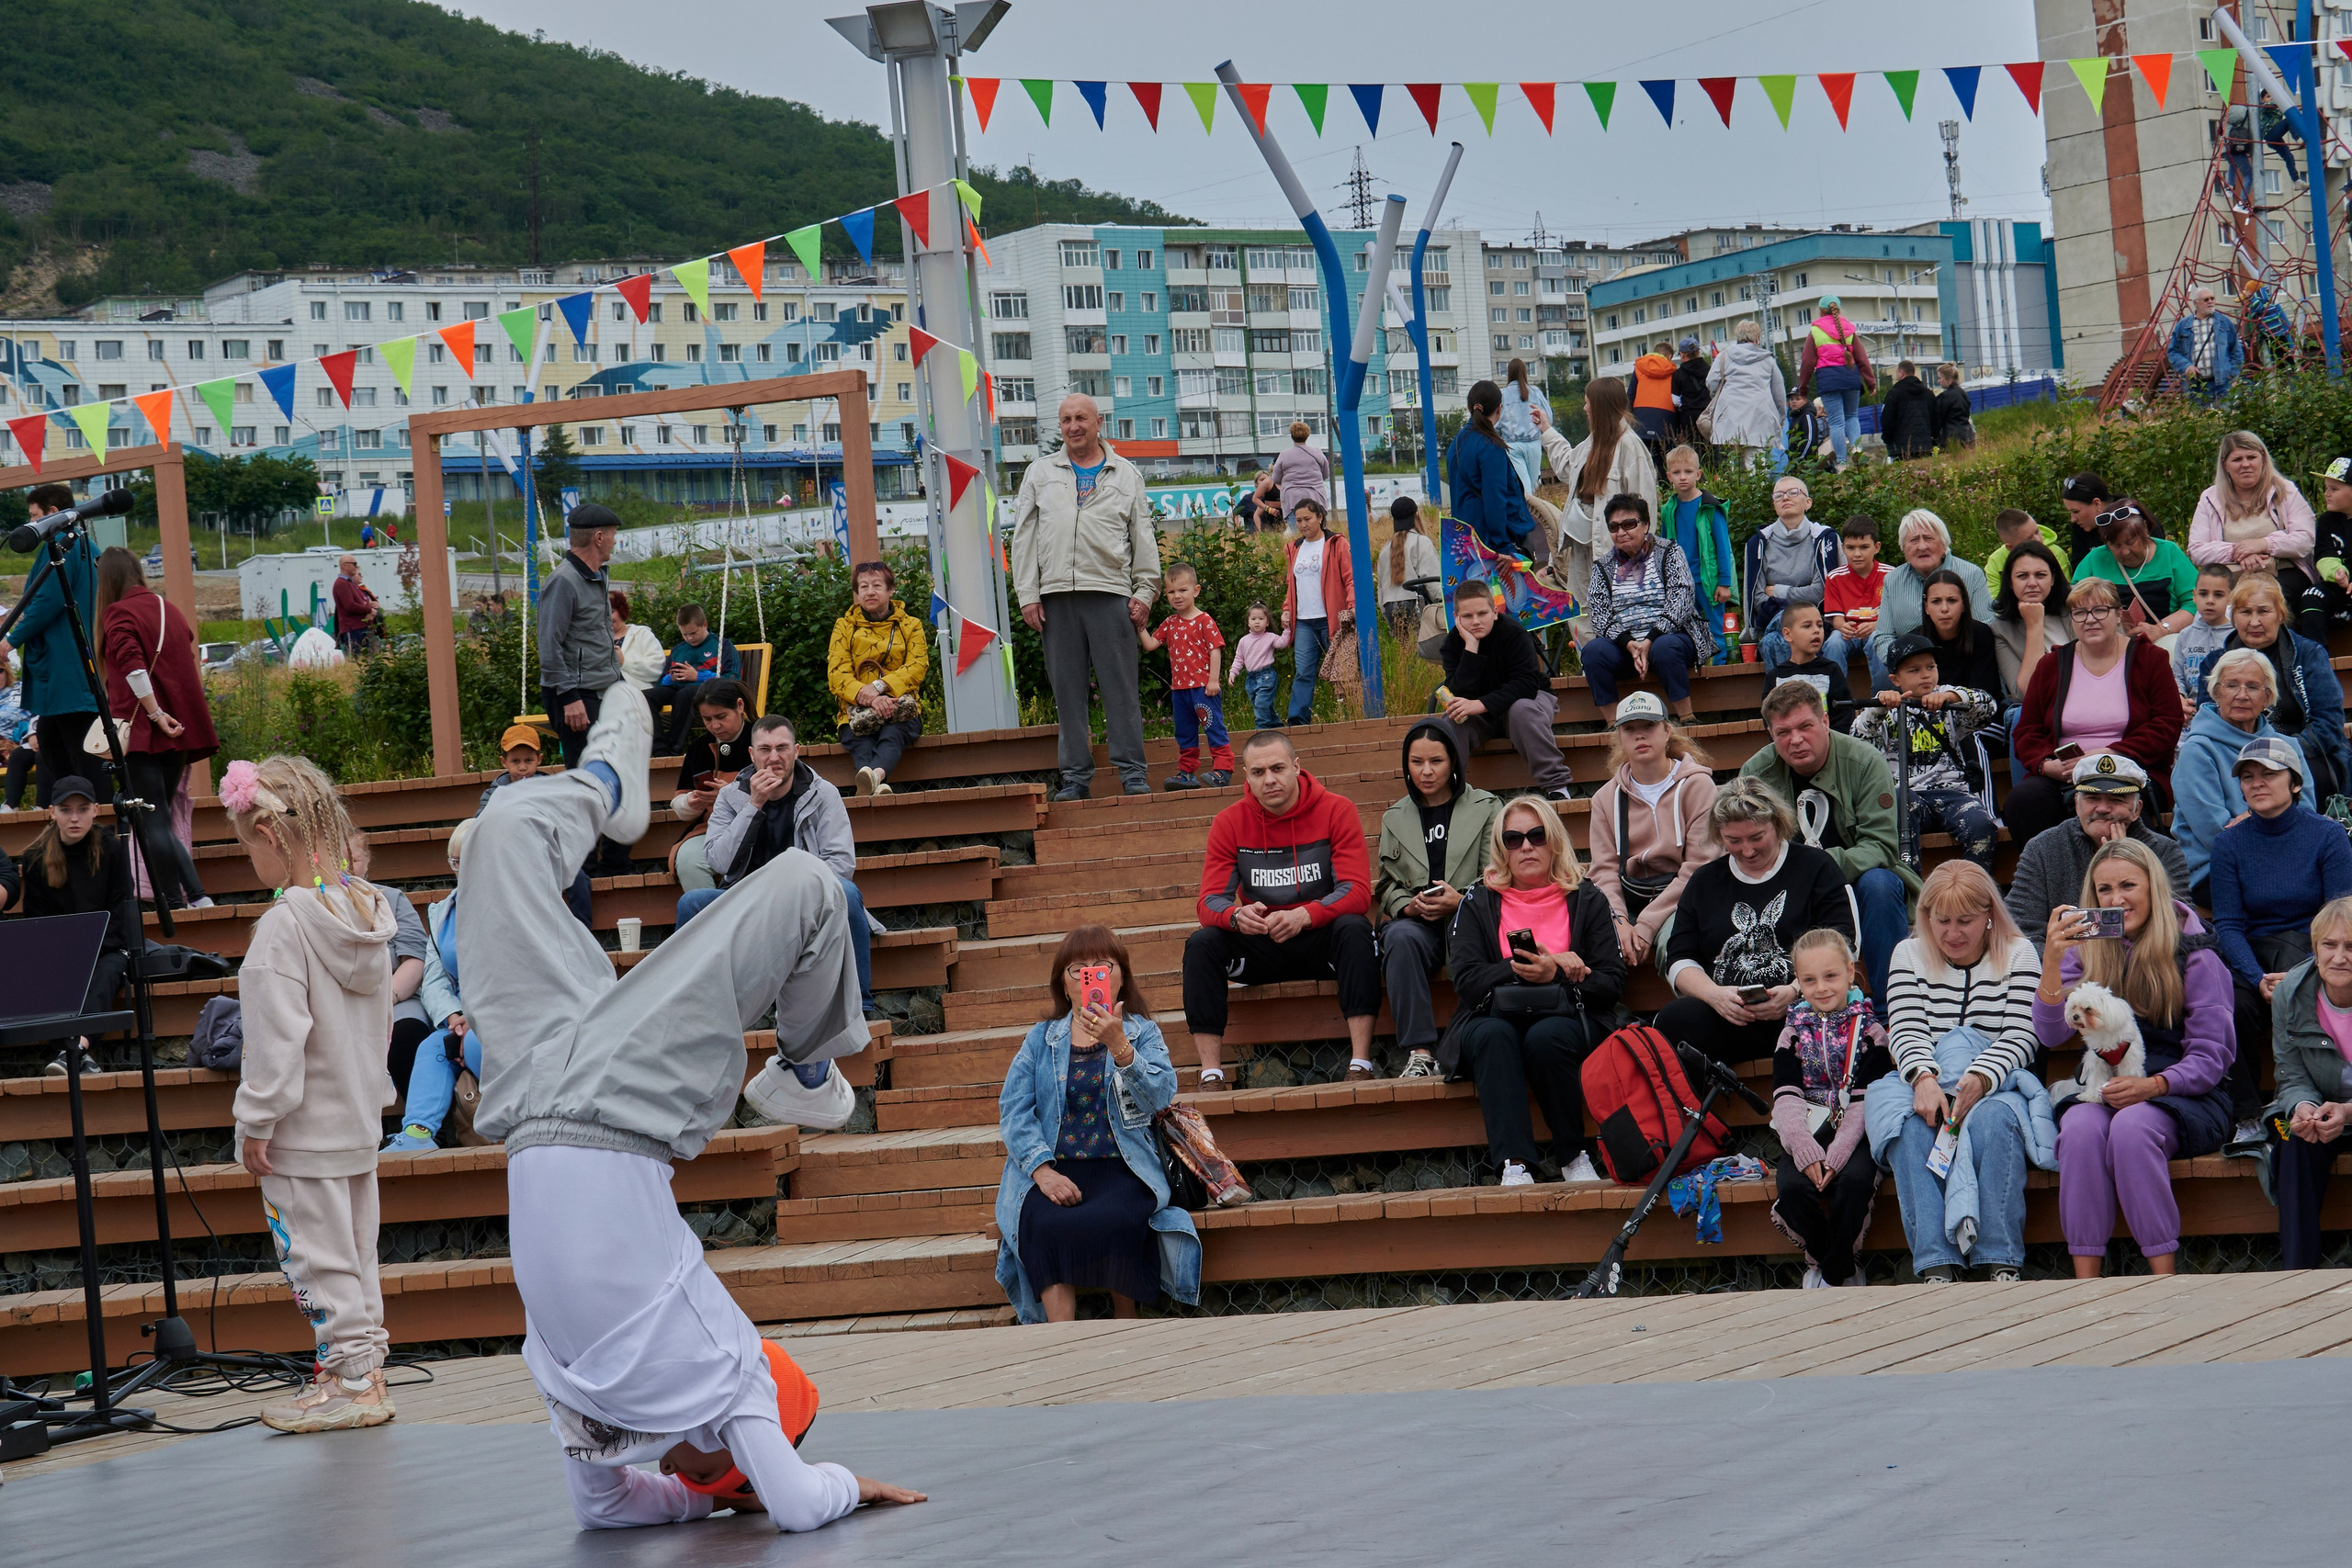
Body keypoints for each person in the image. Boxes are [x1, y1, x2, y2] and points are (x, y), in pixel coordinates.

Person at [454, 695, 920, 1530]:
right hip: (622, 1098)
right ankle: (801, 1067)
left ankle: (806, 1068)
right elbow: (797, 1503)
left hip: (528, 1096)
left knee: (493, 839)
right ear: (743, 1447)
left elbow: (607, 1510)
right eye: (727, 1473)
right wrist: (854, 1483)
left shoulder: (588, 1404)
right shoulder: (726, 1364)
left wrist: (694, 1507)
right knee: (809, 884)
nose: (705, 1480)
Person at [217, 755, 401, 1432]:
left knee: (313, 1258)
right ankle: (361, 1366)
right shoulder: (366, 910)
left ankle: (352, 1378)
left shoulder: (282, 929)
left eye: (246, 846)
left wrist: (255, 1120)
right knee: (356, 1252)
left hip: (300, 1130)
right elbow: (379, 1023)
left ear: (269, 833)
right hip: (354, 1118)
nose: (249, 862)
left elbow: (274, 1041)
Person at [2038, 840, 2237, 1279]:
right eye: (2104, 889)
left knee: (2131, 1128)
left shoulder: (2195, 951)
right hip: (2106, 1081)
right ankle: (2085, 1283)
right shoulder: (2086, 948)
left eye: (2128, 885)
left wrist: (2154, 1086)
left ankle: (2161, 1277)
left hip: (2185, 1090)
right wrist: (2052, 962)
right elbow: (2051, 1033)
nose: (2116, 899)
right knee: (2079, 1131)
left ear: (2155, 888)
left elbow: (2213, 1054)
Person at [994, 924, 1201, 1324]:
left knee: (1118, 1218)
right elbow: (1014, 1109)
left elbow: (1160, 1097)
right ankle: (1062, 1338)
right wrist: (1041, 1171)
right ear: (1064, 984)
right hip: (1055, 1167)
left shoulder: (1142, 1033)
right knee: (1043, 1222)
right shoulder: (1041, 1039)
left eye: (1103, 966)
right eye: (1078, 969)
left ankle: (1125, 1324)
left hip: (1124, 1165)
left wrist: (1119, 1046)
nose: (1091, 976)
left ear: (1120, 976)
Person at [1873, 861, 2046, 1284]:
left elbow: (2023, 1033)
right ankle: (1936, 1263)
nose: (1952, 934)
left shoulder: (2020, 952)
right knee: (1909, 1129)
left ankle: (1998, 1256)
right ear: (1926, 917)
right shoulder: (1907, 954)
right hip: (1924, 1075)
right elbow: (1906, 1027)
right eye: (1942, 921)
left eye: (1965, 921)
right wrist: (1925, 1079)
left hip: (1997, 1079)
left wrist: (1981, 1077)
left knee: (1995, 1121)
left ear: (1989, 915)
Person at [1441, 794, 1625, 1186]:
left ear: (1555, 841)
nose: (1526, 846)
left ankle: (1573, 1155)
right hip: (1490, 1015)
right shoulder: (1477, 901)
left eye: (1537, 836)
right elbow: (1468, 983)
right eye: (1513, 839)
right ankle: (1514, 1163)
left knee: (1547, 1036)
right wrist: (1529, 967)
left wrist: (1554, 975)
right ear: (1501, 849)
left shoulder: (1587, 898)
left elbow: (1611, 983)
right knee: (1494, 1035)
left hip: (1570, 1016)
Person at [1183, 731, 1376, 1088]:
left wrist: (1306, 914)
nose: (1269, 779)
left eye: (1277, 768)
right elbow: (1210, 901)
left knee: (1356, 929)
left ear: (1297, 767)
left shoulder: (1337, 809)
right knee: (1202, 943)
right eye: (1258, 772)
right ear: (1246, 776)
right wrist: (1238, 918)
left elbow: (1357, 891)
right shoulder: (1229, 822)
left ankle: (1361, 1062)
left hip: (1320, 940)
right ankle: (1211, 1072)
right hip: (1261, 943)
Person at [1011, 392, 1161, 802]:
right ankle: (1076, 778)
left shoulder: (1127, 474)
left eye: (1081, 418)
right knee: (1068, 694)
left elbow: (1142, 538)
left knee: (1121, 689)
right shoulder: (1039, 473)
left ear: (1099, 423)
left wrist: (1145, 590)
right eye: (1065, 420)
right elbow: (1022, 538)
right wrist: (1027, 593)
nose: (1073, 426)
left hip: (1110, 593)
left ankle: (1132, 772)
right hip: (1055, 597)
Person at [676, 714, 873, 1019]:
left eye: (782, 748)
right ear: (752, 754)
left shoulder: (823, 794)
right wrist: (753, 805)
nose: (774, 757)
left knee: (846, 893)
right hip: (746, 900)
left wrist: (792, 891)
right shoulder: (731, 797)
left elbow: (842, 864)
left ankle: (861, 1005)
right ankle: (690, 1011)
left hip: (805, 899)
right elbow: (718, 860)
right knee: (692, 903)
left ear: (796, 751)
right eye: (765, 749)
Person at [1656, 776, 1854, 1067]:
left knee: (1826, 1013)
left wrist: (1796, 990)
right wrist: (1714, 996)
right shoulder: (1704, 881)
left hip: (1804, 1007)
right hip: (1728, 1015)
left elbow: (1843, 943)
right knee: (1674, 1022)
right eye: (1733, 841)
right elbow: (1680, 959)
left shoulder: (1816, 867)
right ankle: (1698, 1111)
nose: (1747, 850)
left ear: (1777, 824)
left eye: (1757, 837)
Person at [1740, 681, 1917, 1005]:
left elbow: (1880, 846)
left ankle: (1891, 1010)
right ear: (1771, 734)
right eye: (1783, 733)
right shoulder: (1756, 774)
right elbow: (1746, 848)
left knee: (1879, 884)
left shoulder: (1865, 761)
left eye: (1805, 726)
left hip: (1858, 877)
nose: (1795, 740)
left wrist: (1818, 867)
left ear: (1824, 721)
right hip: (1789, 885)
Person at [2211, 736, 2352, 1140]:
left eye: (2269, 774)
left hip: (2317, 951)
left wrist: (2299, 972)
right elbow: (2229, 924)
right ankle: (2247, 1116)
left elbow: (2340, 918)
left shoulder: (2326, 835)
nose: (2257, 783)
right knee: (2232, 1002)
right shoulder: (2229, 843)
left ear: (2294, 782)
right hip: (2254, 954)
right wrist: (2256, 976)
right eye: (2248, 776)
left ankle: (2323, 1105)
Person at [2004, 576, 2185, 851]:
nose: (2090, 619)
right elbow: (2027, 730)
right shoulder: (2051, 665)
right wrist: (2045, 765)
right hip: (2065, 775)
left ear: (2117, 614)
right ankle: (2047, 883)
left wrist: (2112, 753)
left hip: (2130, 768)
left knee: (2119, 805)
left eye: (2100, 610)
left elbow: (2167, 724)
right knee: (2024, 801)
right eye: (2080, 612)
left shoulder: (2149, 659)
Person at [1376, 721, 1503, 1079]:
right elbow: (1386, 884)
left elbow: (1499, 873)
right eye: (1417, 762)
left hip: (1475, 920)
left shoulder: (1486, 807)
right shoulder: (1395, 817)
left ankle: (1475, 1042)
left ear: (1454, 763)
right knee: (1399, 937)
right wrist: (1407, 906)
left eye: (1437, 761)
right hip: (1423, 925)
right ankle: (1419, 1052)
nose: (1426, 772)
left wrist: (1461, 900)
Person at [92, 546, 216, 911]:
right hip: (179, 728)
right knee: (158, 815)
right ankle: (197, 897)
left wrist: (156, 713)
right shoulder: (169, 610)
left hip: (146, 731)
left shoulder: (118, 612)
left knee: (152, 819)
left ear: (108, 579)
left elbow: (132, 667)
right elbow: (186, 655)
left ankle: (177, 905)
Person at [1770, 929, 1891, 1288]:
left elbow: (1864, 1101)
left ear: (1851, 972)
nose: (1821, 988)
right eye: (1809, 980)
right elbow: (1786, 1097)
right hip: (1807, 1130)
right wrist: (1805, 1150)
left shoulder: (1872, 1032)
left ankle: (1838, 1268)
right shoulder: (1791, 1032)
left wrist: (1836, 1154)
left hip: (1856, 1135)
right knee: (1792, 1189)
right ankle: (1828, 1263)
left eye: (1831, 976)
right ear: (1799, 982)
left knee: (1854, 1182)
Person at [1585, 692, 1718, 971]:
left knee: (1675, 942)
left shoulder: (1698, 787)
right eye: (1630, 729)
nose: (1640, 736)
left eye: (1649, 726)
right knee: (1592, 941)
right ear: (1619, 736)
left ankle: (1682, 1014)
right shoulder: (1605, 798)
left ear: (1667, 730)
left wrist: (1646, 924)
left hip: (1684, 897)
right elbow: (1604, 871)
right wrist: (1620, 921)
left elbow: (1699, 867)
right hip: (1629, 897)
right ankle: (1614, 1015)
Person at [538, 503, 636, 876]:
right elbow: (550, 646)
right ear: (598, 537)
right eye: (612, 534)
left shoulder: (596, 577)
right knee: (590, 783)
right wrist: (569, 698)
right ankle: (584, 869)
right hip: (576, 697)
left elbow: (596, 643)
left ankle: (613, 864)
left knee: (622, 776)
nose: (614, 541)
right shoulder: (563, 581)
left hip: (603, 691)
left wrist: (622, 689)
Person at [2004, 752, 2189, 947]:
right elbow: (2020, 928)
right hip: (2062, 971)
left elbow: (2179, 925)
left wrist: (2128, 859)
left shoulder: (2164, 851)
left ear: (2136, 809)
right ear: (2077, 804)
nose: (2102, 808)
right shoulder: (2042, 849)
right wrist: (2068, 969)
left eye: (2116, 800)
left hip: (2144, 968)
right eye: (2092, 798)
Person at [2191, 574, 2352, 799]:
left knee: (2297, 781)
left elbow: (2328, 722)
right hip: (2234, 757)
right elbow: (2208, 721)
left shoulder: (2308, 655)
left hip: (2304, 754)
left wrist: (2284, 752)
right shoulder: (2215, 663)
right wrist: (2251, 758)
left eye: (2263, 611)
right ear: (2234, 617)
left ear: (2281, 615)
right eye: (2245, 612)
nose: (2254, 622)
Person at [2177, 647, 2316, 901]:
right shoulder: (2197, 751)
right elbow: (2216, 833)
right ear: (2216, 692)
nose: (2242, 695)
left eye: (2252, 687)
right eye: (2232, 685)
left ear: (2267, 697)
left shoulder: (2289, 747)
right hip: (2217, 867)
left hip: (2289, 858)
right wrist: (2268, 823)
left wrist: (2251, 819)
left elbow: (2305, 813)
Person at [1852, 633, 1999, 870]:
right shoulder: (1884, 709)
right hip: (1909, 796)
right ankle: (1913, 890)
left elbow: (1988, 707)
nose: (1925, 674)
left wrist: (1951, 697)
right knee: (1898, 804)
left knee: (1982, 826)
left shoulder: (1949, 699)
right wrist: (1878, 708)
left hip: (1953, 794)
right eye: (1914, 670)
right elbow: (1858, 740)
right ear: (1895, 679)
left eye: (1931, 666)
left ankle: (1974, 894)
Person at [18, 775, 134, 1077]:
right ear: (51, 812)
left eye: (82, 809)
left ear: (96, 810)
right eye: (66, 809)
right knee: (48, 973)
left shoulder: (111, 849)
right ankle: (80, 1055)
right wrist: (65, 952)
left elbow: (120, 909)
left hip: (105, 947)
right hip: (58, 949)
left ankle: (75, 1048)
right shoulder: (36, 857)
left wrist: (91, 948)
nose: (74, 818)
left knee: (108, 971)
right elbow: (36, 921)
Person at [383, 821, 480, 1153]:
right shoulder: (442, 912)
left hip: (505, 1019)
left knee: (479, 1046)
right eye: (455, 861)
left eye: (468, 859)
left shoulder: (518, 906)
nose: (460, 869)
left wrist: (477, 1019)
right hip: (462, 1019)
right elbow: (435, 979)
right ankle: (418, 1134)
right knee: (432, 1047)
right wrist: (454, 1016)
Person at [2267, 896, 2352, 1268]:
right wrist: (2304, 1109)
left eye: (2351, 946)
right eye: (2329, 945)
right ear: (2315, 948)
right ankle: (2298, 1273)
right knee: (2288, 1136)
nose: (2339, 957)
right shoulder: (2289, 993)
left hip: (2348, 1112)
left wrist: (2347, 1112)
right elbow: (2290, 1074)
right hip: (2320, 1112)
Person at [0, 483, 99, 802]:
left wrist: (10, 640)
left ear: (53, 515)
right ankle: (62, 811)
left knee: (77, 749)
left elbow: (46, 600)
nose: (29, 525)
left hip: (64, 668)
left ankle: (92, 813)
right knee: (51, 740)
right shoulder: (90, 548)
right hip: (71, 668)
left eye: (34, 516)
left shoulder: (60, 546)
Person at [1578, 493, 1713, 723]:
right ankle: (1613, 725)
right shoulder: (1603, 566)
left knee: (1665, 647)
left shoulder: (1669, 552)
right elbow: (1599, 615)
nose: (1621, 532)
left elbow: (1682, 599)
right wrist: (1630, 644)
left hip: (1670, 637)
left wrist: (1650, 640)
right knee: (1593, 652)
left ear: (1646, 524)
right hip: (1625, 646)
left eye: (1629, 524)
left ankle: (1687, 717)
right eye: (1614, 527)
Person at [1439, 578, 1570, 803]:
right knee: (1450, 722)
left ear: (1495, 612)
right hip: (1481, 715)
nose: (1476, 622)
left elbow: (1527, 685)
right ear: (1456, 618)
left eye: (1482, 613)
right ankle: (1448, 793)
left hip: (1528, 700)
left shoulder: (1514, 633)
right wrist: (1471, 648)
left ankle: (1557, 786)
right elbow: (1459, 692)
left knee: (1521, 710)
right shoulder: (1452, 645)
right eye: (1467, 617)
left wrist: (1479, 705)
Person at [2190, 429, 2321, 635]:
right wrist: (2239, 551)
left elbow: (2306, 539)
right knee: (2221, 605)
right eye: (2237, 459)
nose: (2245, 464)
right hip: (2232, 577)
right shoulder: (2210, 498)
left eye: (2251, 457)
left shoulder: (2285, 491)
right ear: (2225, 465)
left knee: (2268, 601)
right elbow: (2197, 550)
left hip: (2283, 572)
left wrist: (2264, 545)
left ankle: (2281, 658)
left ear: (2263, 459)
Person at [1537, 377, 1653, 597]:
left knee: (1615, 612)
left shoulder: (1630, 446)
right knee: (1582, 610)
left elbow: (1645, 506)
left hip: (1618, 553)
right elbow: (1567, 467)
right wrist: (1546, 430)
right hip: (1583, 544)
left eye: (1587, 402)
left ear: (1600, 406)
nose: (1584, 408)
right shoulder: (1593, 441)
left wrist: (1640, 559)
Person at [828, 560, 928, 797]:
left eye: (876, 585)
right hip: (856, 712)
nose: (869, 591)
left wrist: (880, 687)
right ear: (857, 592)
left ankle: (870, 779)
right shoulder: (844, 626)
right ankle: (878, 782)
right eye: (863, 587)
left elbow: (917, 666)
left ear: (891, 590)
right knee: (860, 739)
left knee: (893, 734)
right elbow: (836, 673)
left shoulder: (911, 625)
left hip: (900, 709)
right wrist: (871, 699)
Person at [1139, 562, 1231, 790]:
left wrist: (1213, 680)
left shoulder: (1204, 620)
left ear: (1196, 590)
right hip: (1179, 691)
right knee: (1184, 732)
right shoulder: (1170, 623)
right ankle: (1186, 773)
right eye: (1171, 592)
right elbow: (1151, 644)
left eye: (1182, 590)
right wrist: (1139, 626)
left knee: (1213, 726)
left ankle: (1223, 769)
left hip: (1203, 688)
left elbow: (1215, 650)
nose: (1177, 596)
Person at [1869, 510, 1992, 676]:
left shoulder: (1971, 575)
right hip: (1909, 669)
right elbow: (1884, 636)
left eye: (1928, 538)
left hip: (1964, 669)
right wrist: (1903, 665)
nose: (1921, 546)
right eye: (1913, 540)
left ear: (1944, 543)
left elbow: (1985, 628)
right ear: (1904, 548)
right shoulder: (1892, 580)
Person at [1745, 475, 1840, 672]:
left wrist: (1778, 591)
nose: (1785, 498)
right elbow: (1757, 598)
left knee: (1773, 641)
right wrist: (1794, 600)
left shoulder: (1824, 539)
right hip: (1776, 621)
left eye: (1793, 492)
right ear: (1774, 505)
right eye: (1779, 495)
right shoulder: (1759, 543)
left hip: (1819, 624)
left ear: (1808, 503)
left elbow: (1821, 592)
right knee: (1774, 638)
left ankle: (1787, 699)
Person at [669, 678, 756, 893]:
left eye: (721, 717)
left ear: (739, 706)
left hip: (759, 830)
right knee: (689, 861)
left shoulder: (763, 739)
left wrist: (727, 795)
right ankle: (714, 924)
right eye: (707, 719)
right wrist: (691, 802)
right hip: (711, 830)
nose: (714, 726)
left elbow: (780, 796)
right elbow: (680, 801)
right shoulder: (699, 747)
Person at [1446, 379, 1543, 562]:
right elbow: (1495, 500)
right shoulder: (1491, 446)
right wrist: (1503, 547)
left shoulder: (1456, 443)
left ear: (1469, 407)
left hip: (1466, 544)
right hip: (1491, 548)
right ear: (1499, 408)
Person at [2075, 503, 2197, 647]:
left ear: (2144, 529)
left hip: (2165, 640)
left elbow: (2194, 602)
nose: (2126, 552)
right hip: (2110, 644)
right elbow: (2075, 602)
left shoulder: (2169, 552)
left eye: (2131, 542)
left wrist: (2160, 630)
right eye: (2115, 545)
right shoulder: (2094, 559)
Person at [1659, 445, 1739, 662]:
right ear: (1669, 477)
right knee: (1688, 628)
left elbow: (1723, 548)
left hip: (1709, 580)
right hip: (1682, 581)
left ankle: (1722, 667)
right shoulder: (1668, 509)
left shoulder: (1711, 508)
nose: (1683, 477)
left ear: (1698, 474)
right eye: (1676, 473)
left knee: (1716, 626)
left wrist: (1724, 582)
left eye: (1688, 472)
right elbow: (1664, 548)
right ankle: (1698, 666)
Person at [1281, 498, 1354, 726]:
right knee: (1303, 672)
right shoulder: (1294, 548)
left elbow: (1350, 578)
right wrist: (1286, 609)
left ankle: (1350, 715)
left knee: (1342, 671)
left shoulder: (1336, 543)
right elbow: (1291, 585)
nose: (1302, 524)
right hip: (1303, 621)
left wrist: (1352, 607)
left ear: (1320, 517)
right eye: (1298, 520)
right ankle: (1297, 720)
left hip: (1332, 618)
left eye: (1307, 519)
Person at [1989, 540, 2072, 720]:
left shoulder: (2077, 606)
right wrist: (2034, 626)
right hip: (2047, 711)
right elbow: (2024, 693)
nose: (2032, 583)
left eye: (2040, 575)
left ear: (2053, 579)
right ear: (2010, 582)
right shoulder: (2000, 629)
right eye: (2022, 576)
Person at [650, 603, 741, 755]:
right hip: (676, 687)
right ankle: (660, 751)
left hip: (704, 689)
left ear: (704, 625)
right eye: (685, 634)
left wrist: (697, 676)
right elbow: (661, 682)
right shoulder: (679, 649)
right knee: (643, 698)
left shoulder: (721, 646)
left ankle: (674, 750)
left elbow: (733, 677)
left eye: (693, 633)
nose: (690, 638)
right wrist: (672, 678)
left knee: (684, 696)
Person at [1798, 295, 1875, 469]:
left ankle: (1841, 462)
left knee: (1836, 422)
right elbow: (1862, 358)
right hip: (1851, 376)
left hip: (1829, 380)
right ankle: (1856, 448)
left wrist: (1803, 387)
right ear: (1839, 310)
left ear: (1820, 311)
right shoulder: (1849, 329)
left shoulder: (1816, 331)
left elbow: (1808, 362)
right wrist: (1871, 382)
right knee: (1852, 416)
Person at [1821, 516, 1894, 696]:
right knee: (1834, 642)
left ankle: (1882, 699)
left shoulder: (1892, 575)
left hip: (1878, 629)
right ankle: (1837, 700)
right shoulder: (1835, 577)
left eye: (1864, 547)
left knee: (1879, 639)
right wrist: (1842, 626)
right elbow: (1835, 617)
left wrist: (1877, 625)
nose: (1857, 554)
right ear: (1843, 548)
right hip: (1849, 632)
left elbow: (1896, 615)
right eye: (1850, 548)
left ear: (1876, 548)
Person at [1702, 319, 1789, 466]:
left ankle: (1738, 487)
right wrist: (1781, 416)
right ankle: (1758, 487)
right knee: (1757, 461)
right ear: (1757, 338)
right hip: (1760, 414)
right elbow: (1779, 390)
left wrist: (1719, 396)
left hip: (1730, 414)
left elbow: (1711, 381)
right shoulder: (1767, 359)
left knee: (1734, 460)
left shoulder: (1724, 356)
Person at [1911, 568, 2005, 702]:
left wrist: (1949, 696)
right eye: (1936, 601)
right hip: (1932, 713)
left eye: (1952, 600)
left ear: (1963, 605)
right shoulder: (1915, 641)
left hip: (1976, 712)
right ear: (1926, 607)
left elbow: (1984, 692)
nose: (1944, 609)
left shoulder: (1981, 634)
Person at [1768, 602, 1857, 735]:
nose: (1816, 630)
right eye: (1807, 626)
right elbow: (1769, 718)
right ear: (1787, 634)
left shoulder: (1831, 670)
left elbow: (1844, 713)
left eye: (1820, 625)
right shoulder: (1776, 676)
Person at [1379, 495, 1442, 650]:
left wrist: (1385, 611)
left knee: (1404, 654)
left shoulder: (1385, 549)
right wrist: (1444, 603)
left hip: (1390, 608)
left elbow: (1381, 588)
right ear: (1416, 515)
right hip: (1415, 605)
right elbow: (1433, 580)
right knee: (1424, 654)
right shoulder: (1422, 542)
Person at [2301, 455, 2352, 642]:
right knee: (2311, 596)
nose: (2326, 494)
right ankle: (2316, 660)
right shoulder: (2326, 520)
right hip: (2336, 584)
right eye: (2326, 488)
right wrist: (2337, 572)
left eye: (2334, 489)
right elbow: (2323, 554)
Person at [2171, 561, 2238, 702]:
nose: (2210, 601)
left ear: (2230, 598)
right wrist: (2180, 698)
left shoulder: (2237, 635)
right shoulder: (2185, 635)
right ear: (2194, 596)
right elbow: (2177, 677)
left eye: (2218, 595)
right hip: (2192, 708)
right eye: (2203, 594)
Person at [2166, 286, 2245, 402]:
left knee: (2224, 417)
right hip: (2196, 385)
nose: (2210, 302)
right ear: (2195, 303)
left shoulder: (2224, 323)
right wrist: (2186, 366)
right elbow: (2173, 352)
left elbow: (2236, 351)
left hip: (2222, 384)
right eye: (2206, 299)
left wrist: (2232, 375)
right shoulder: (2183, 326)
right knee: (2199, 418)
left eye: (2212, 298)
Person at [1227, 604, 1291, 729]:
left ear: (1267, 623)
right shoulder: (1244, 641)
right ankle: (1277, 726)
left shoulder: (1270, 637)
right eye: (1253, 619)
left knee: (1261, 705)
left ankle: (1261, 730)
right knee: (1262, 706)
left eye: (1261, 619)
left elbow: (1282, 643)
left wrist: (1287, 630)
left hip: (1266, 676)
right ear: (1248, 622)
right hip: (1250, 679)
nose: (1257, 622)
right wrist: (1233, 673)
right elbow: (1239, 659)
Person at [1497, 356, 1550, 492]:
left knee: (1523, 486)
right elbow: (1548, 416)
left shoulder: (1502, 394)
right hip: (1534, 443)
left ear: (1509, 373)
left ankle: (1526, 512)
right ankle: (1533, 512)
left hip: (1512, 444)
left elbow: (1496, 423)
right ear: (1525, 372)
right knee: (1533, 485)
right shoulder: (1535, 392)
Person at [1984, 506, 2070, 586]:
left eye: (2037, 532)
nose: (2038, 539)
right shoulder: (1995, 561)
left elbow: (2064, 591)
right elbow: (1995, 598)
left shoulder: (2056, 553)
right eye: (2029, 539)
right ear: (2010, 547)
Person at [1269, 419, 1331, 517]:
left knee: (1296, 529)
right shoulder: (1318, 452)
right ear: (1307, 435)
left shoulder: (1284, 455)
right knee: (1317, 529)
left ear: (1292, 436)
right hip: (1316, 496)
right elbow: (1326, 474)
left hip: (1292, 499)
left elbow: (1276, 479)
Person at [610, 591, 666, 699]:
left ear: (621, 611)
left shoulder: (641, 634)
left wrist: (624, 662)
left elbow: (657, 669)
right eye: (603, 614)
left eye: (611, 612)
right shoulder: (598, 640)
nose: (608, 617)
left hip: (638, 696)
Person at [1878, 360, 1936, 461]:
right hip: (1925, 446)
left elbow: (1887, 420)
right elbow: (1936, 420)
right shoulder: (1929, 394)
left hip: (1900, 449)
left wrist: (1887, 440)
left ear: (1901, 373)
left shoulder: (1894, 394)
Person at [1629, 342, 1678, 454]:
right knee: (1663, 462)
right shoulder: (1673, 372)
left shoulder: (1639, 368)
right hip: (1665, 419)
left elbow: (1630, 395)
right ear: (1669, 357)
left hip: (1640, 419)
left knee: (1642, 460)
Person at [331, 554, 381, 655]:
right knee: (357, 661)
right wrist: (369, 610)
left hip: (361, 627)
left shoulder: (350, 583)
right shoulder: (342, 583)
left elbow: (360, 601)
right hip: (352, 629)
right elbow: (350, 606)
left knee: (368, 660)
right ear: (345, 566)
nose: (356, 567)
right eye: (354, 564)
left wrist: (371, 605)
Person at [0, 658, 32, 811]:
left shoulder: (20, 690)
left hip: (20, 745)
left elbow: (14, 715)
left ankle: (10, 808)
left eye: (0, 671)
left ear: (7, 671)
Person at [1669, 337, 1712, 444]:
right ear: (1698, 352)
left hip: (1688, 419)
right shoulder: (1710, 369)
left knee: (1694, 449)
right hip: (1708, 414)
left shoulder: (1678, 374)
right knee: (1711, 449)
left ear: (1682, 354)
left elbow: (1675, 401)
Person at [1930, 362, 1974, 450]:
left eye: (1940, 378)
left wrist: (1933, 436)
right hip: (1968, 435)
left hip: (1952, 438)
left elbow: (1938, 419)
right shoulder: (1962, 393)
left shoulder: (1946, 397)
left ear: (1949, 380)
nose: (1938, 381)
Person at [1784, 388, 1830, 471]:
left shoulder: (1807, 416)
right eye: (1791, 399)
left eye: (1798, 399)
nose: (1794, 401)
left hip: (1806, 463)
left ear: (1805, 400)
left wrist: (1801, 459)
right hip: (1794, 462)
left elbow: (1809, 439)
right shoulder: (1795, 417)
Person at [1230, 469, 1279, 535]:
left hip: (1271, 534)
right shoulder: (1248, 499)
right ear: (1256, 483)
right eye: (1262, 480)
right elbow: (1234, 514)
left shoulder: (1272, 497)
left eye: (1267, 480)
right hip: (1254, 535)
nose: (1265, 482)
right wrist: (1239, 531)